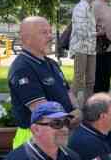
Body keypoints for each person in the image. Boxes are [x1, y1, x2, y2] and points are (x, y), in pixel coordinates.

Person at [8, 16, 80, 149]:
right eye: (44, 33)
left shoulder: (51, 63)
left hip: (60, 131)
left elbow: (67, 91)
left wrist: (76, 110)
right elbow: (41, 111)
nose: (50, 37)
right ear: (27, 38)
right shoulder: (22, 69)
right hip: (37, 139)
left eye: (50, 32)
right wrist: (71, 118)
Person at [69, 0, 99, 108]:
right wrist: (97, 33)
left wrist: (95, 31)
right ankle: (70, 105)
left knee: (91, 80)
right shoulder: (80, 8)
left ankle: (88, 106)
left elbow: (87, 27)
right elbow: (81, 31)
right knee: (79, 78)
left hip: (91, 48)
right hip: (80, 47)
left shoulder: (90, 6)